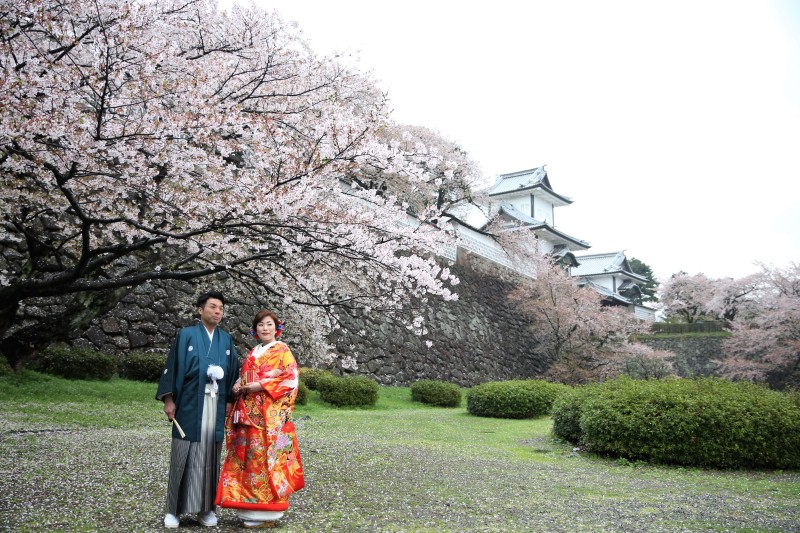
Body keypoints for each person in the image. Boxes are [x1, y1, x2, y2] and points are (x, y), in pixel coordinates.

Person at [156, 291, 240, 529]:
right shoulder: (187, 335)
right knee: (183, 455)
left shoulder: (226, 340)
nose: (217, 312)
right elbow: (172, 367)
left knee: (209, 458)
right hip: (189, 403)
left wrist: (230, 401)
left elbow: (233, 371)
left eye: (221, 308)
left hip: (215, 404)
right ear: (200, 310)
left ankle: (206, 509)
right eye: (212, 307)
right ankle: (174, 510)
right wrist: (169, 399)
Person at [216, 310, 305, 528]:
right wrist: (238, 384)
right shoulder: (253, 352)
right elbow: (246, 375)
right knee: (246, 459)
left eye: (269, 325)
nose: (265, 329)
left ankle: (267, 511)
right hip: (247, 415)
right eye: (260, 325)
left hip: (269, 417)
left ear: (277, 329)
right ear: (255, 330)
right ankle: (247, 505)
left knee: (265, 459)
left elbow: (291, 378)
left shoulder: (282, 350)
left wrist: (262, 385)